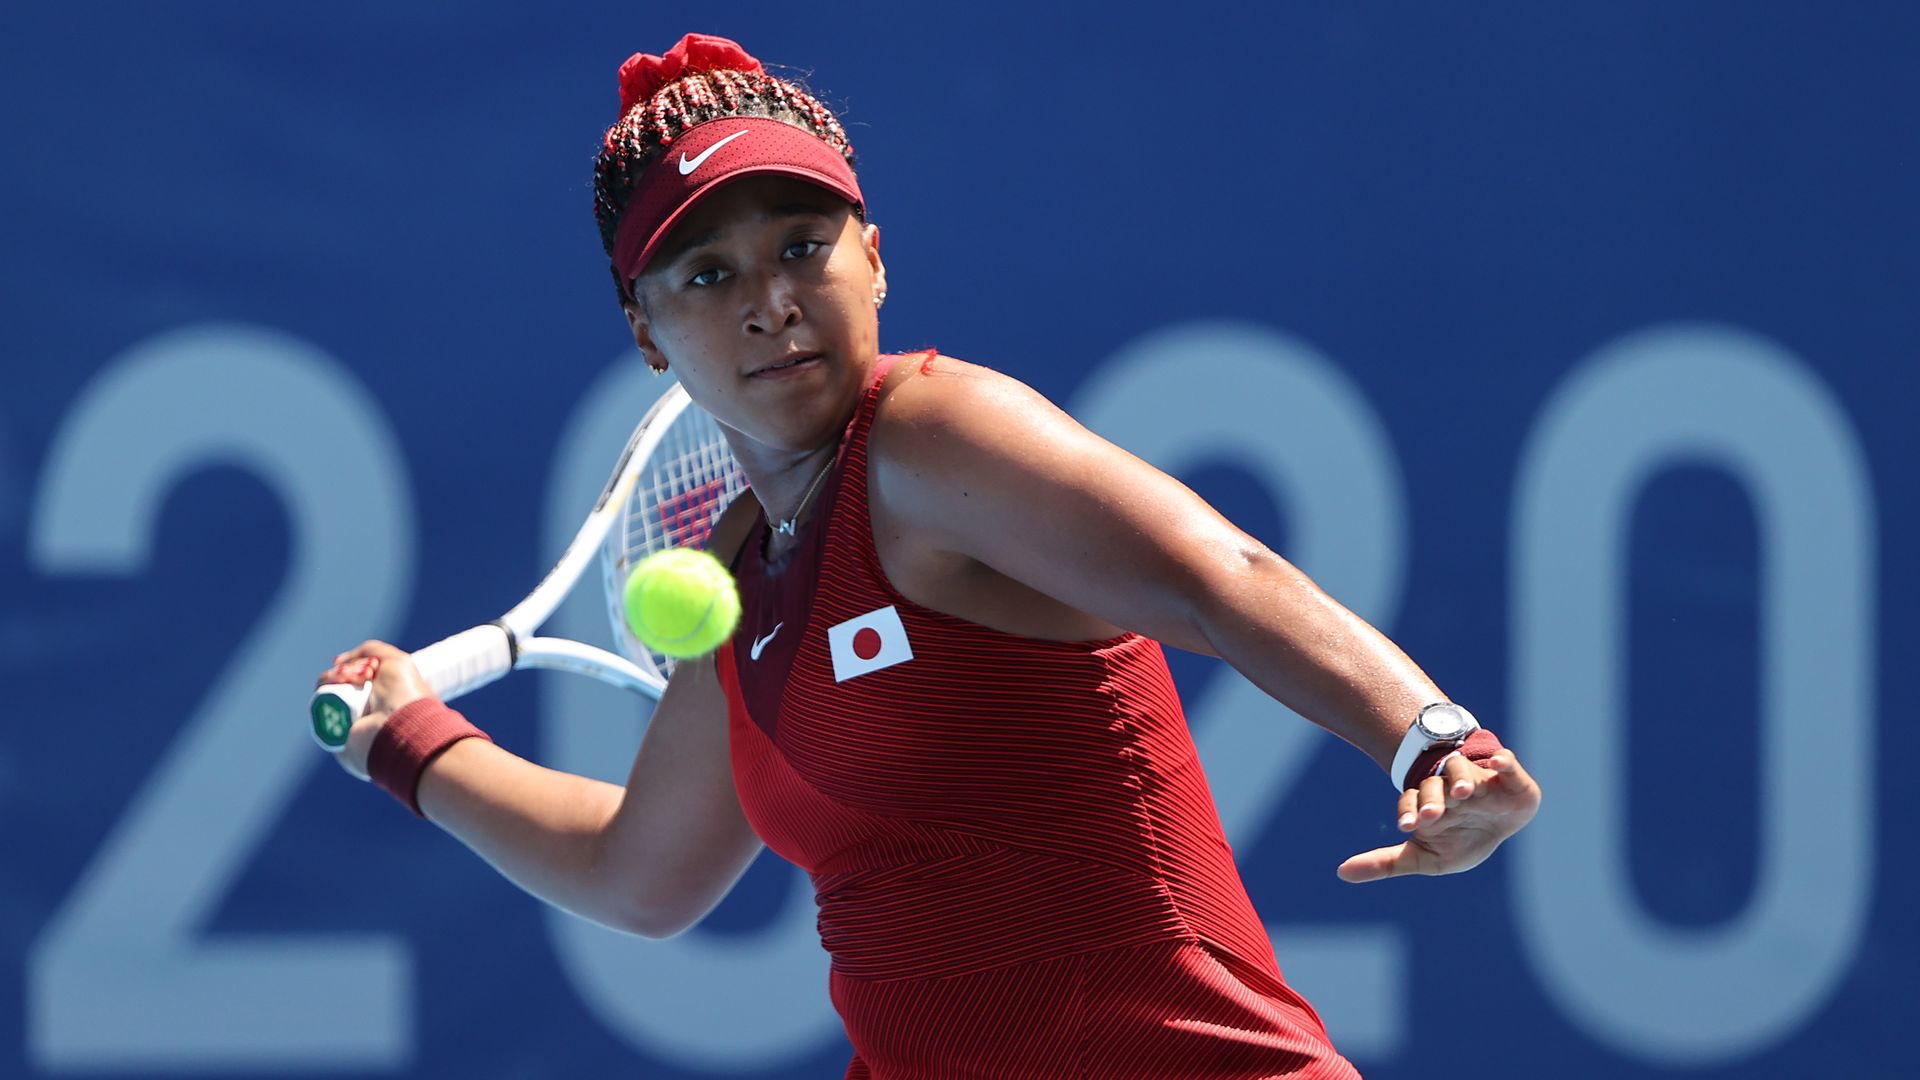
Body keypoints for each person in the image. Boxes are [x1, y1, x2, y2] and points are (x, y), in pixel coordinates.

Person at [318, 33, 1541, 1079]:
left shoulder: (931, 437)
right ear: (646, 332)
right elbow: (643, 872)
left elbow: (1218, 577)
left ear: (876, 258)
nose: (770, 300)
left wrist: (1431, 737)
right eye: (709, 274)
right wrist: (409, 743)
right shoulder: (741, 569)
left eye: (803, 244)